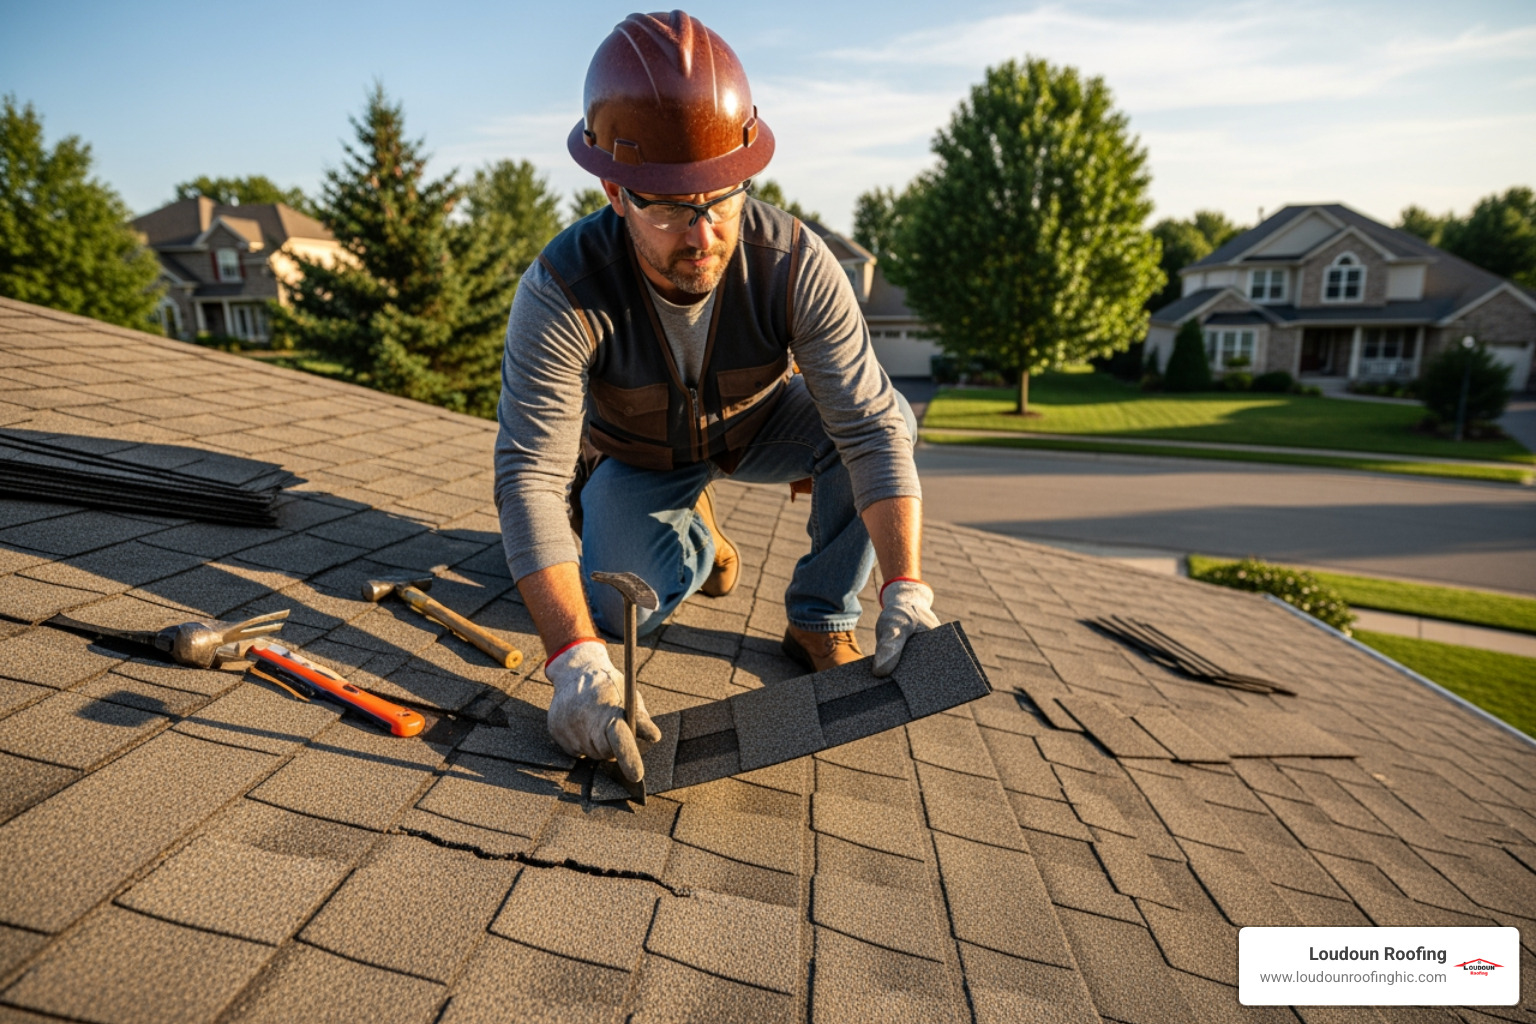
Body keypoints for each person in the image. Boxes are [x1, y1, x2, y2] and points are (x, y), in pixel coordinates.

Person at [494, 10, 938, 785]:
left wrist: (905, 585)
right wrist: (574, 664)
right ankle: (694, 534)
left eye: (721, 197)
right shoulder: (564, 288)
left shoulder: (794, 262)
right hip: (639, 453)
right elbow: (529, 477)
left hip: (761, 425)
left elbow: (866, 431)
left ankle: (820, 617)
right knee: (617, 612)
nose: (701, 233)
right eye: (668, 206)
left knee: (889, 415)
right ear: (614, 189)